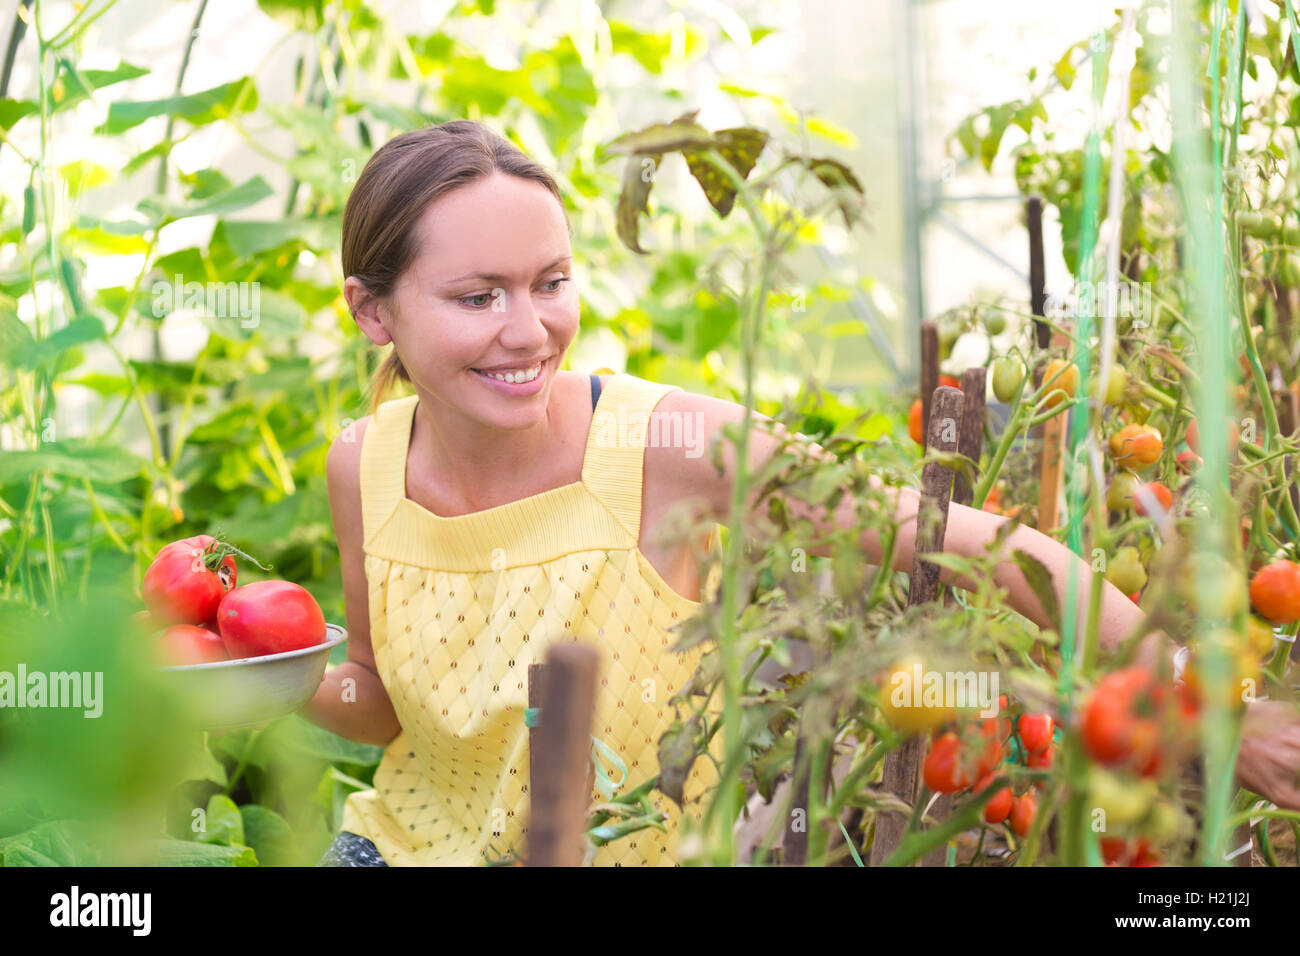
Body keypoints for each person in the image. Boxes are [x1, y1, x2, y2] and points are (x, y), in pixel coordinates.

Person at [304, 120, 1300, 866]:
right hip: (394, 847)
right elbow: (381, 700)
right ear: (372, 310)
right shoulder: (364, 463)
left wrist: (1225, 706)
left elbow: (996, 548)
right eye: (478, 296)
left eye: (551, 281)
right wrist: (269, 678)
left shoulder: (672, 446)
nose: (529, 328)